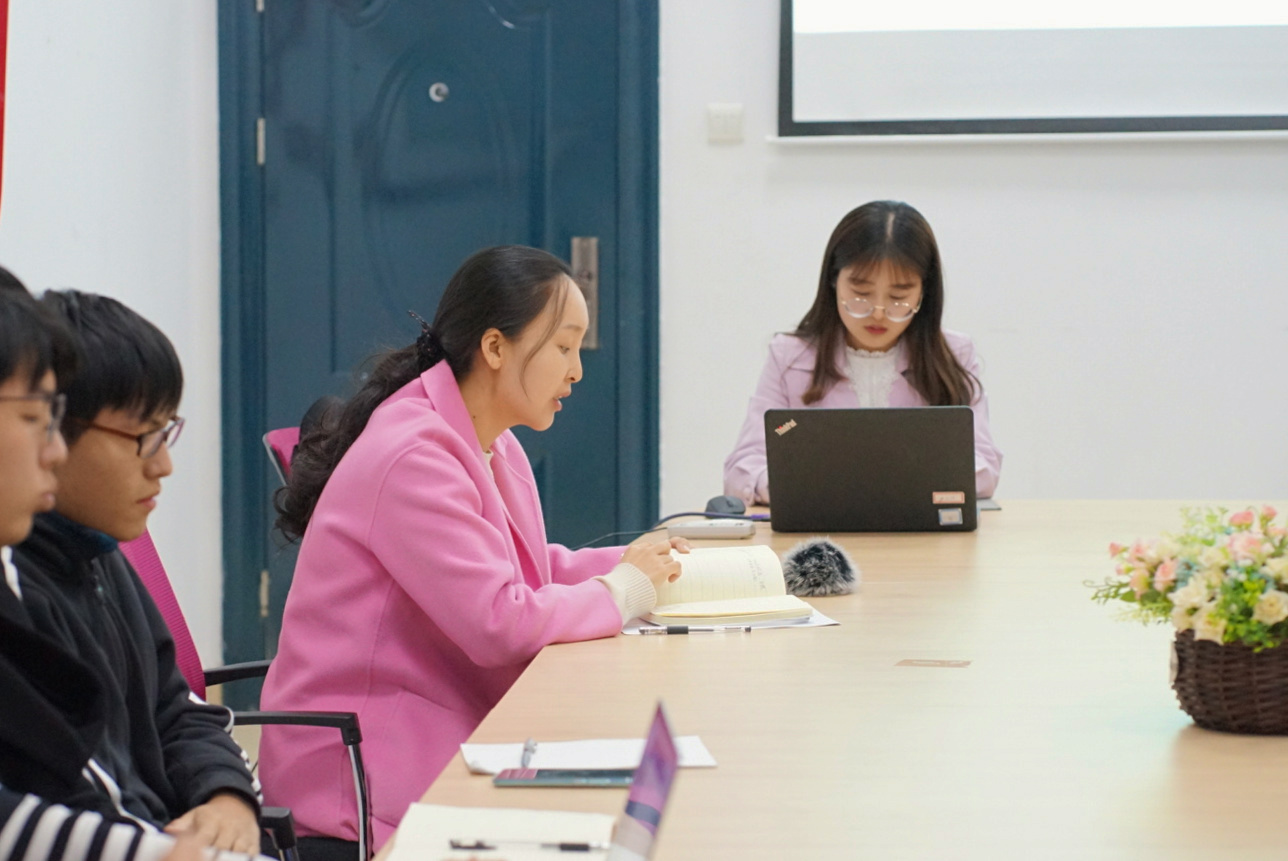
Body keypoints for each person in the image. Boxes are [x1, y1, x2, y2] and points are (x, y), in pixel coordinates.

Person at [259, 245, 686, 857]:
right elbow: (499, 621)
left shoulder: (491, 440)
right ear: (494, 348)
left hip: (431, 728)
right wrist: (623, 591)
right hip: (359, 773)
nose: (576, 371)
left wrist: (641, 566)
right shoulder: (415, 455)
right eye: (563, 348)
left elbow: (522, 571)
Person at [0, 277, 267, 861]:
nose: (164, 465)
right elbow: (77, 797)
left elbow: (179, 707)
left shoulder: (100, 554)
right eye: (145, 435)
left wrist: (228, 796)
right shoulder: (23, 588)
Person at [723, 200, 1002, 505]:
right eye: (861, 293)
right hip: (821, 521)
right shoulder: (790, 356)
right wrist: (794, 485)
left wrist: (899, 481)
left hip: (922, 525)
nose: (878, 312)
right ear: (834, 280)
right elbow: (743, 468)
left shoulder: (954, 354)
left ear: (924, 291)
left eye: (898, 296)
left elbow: (984, 465)